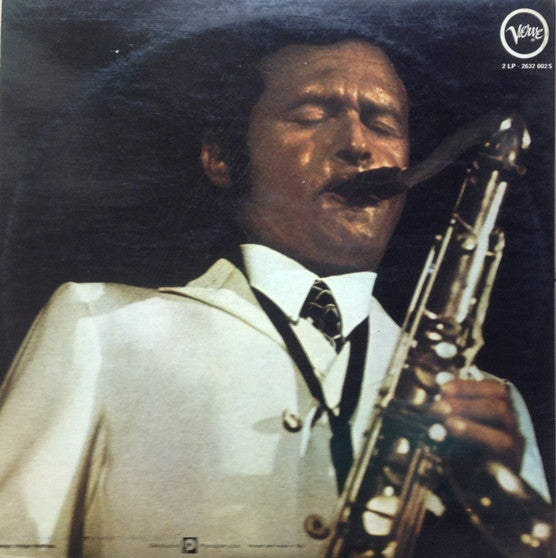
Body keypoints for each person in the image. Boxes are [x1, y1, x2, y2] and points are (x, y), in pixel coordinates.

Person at [0, 19, 549, 558]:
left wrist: (492, 519)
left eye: (383, 124)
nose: (357, 144)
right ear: (221, 159)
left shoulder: (487, 405)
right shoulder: (98, 325)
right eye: (312, 115)